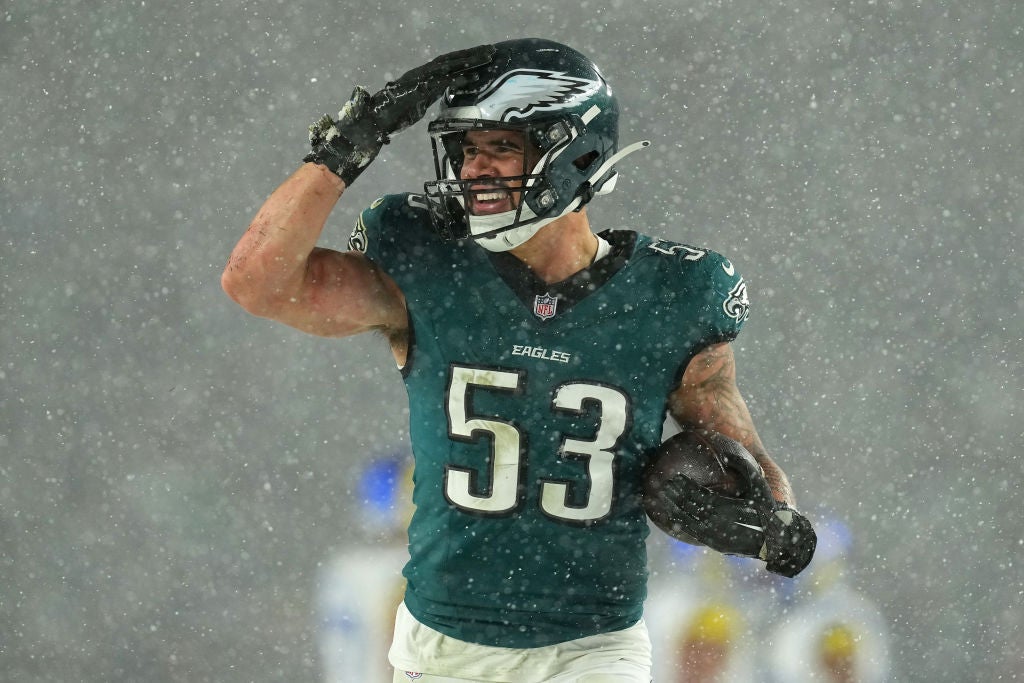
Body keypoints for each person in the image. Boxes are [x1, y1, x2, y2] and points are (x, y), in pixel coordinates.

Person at [222, 38, 814, 683]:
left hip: (593, 647)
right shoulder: (429, 263)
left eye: (502, 146)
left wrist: (771, 520)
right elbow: (256, 281)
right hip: (442, 646)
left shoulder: (673, 294)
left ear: (574, 149)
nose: (476, 169)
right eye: (468, 149)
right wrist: (342, 150)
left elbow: (737, 451)